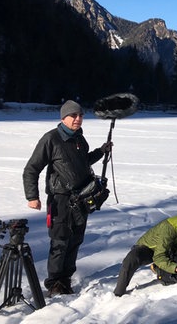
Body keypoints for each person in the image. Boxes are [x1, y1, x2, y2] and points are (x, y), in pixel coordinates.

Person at [22, 100, 112, 296]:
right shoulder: (51, 139)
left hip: (81, 198)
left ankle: (66, 279)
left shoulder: (80, 139)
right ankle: (54, 283)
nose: (78, 119)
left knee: (76, 239)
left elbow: (83, 161)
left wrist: (101, 151)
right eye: (73, 116)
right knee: (60, 241)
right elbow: (31, 169)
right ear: (63, 118)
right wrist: (32, 196)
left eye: (80, 115)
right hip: (60, 199)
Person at [114, 208, 177, 296]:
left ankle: (158, 267)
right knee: (132, 259)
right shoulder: (171, 228)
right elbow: (159, 256)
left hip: (175, 246)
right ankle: (118, 293)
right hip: (150, 249)